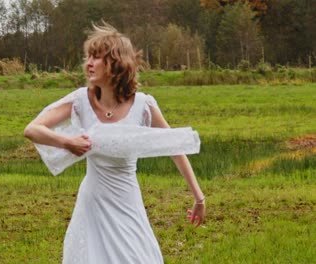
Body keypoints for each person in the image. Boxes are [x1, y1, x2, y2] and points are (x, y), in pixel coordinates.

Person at [24, 22, 206, 264]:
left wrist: (199, 198)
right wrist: (67, 141)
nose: (88, 63)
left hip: (127, 200)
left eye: (96, 57)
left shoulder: (143, 105)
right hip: (93, 201)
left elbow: (174, 147)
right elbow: (32, 129)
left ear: (116, 64)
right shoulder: (81, 100)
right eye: (88, 56)